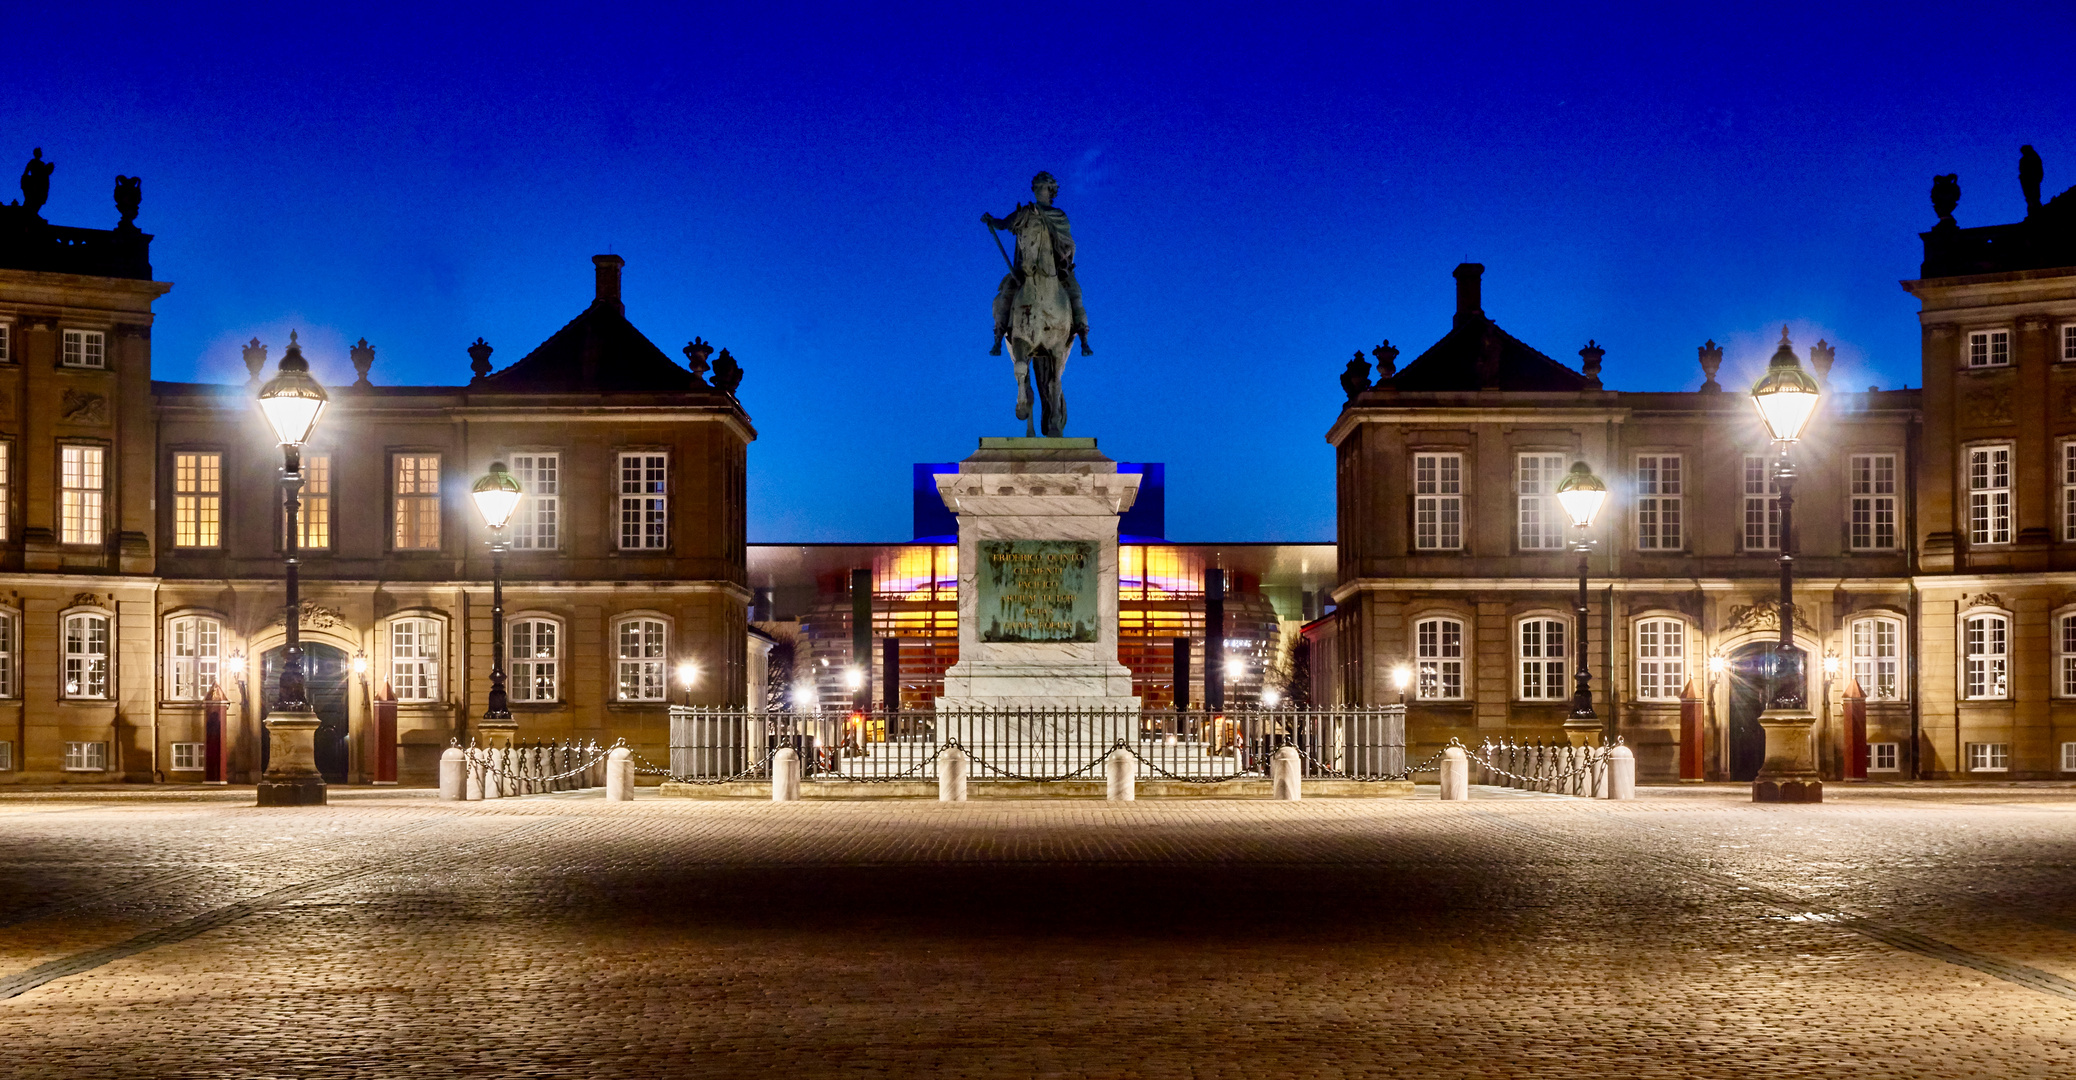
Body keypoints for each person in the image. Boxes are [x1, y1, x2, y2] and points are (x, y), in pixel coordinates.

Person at [983, 171, 1090, 355]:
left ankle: (1083, 336)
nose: (1039, 190)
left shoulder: (1059, 216)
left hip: (1057, 269)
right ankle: (999, 335)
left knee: (1075, 294)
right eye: (1037, 187)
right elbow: (1004, 224)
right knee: (1006, 293)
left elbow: (1068, 242)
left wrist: (1063, 258)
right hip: (1025, 269)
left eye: (1043, 187)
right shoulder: (1025, 212)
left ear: (1051, 190)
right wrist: (992, 220)